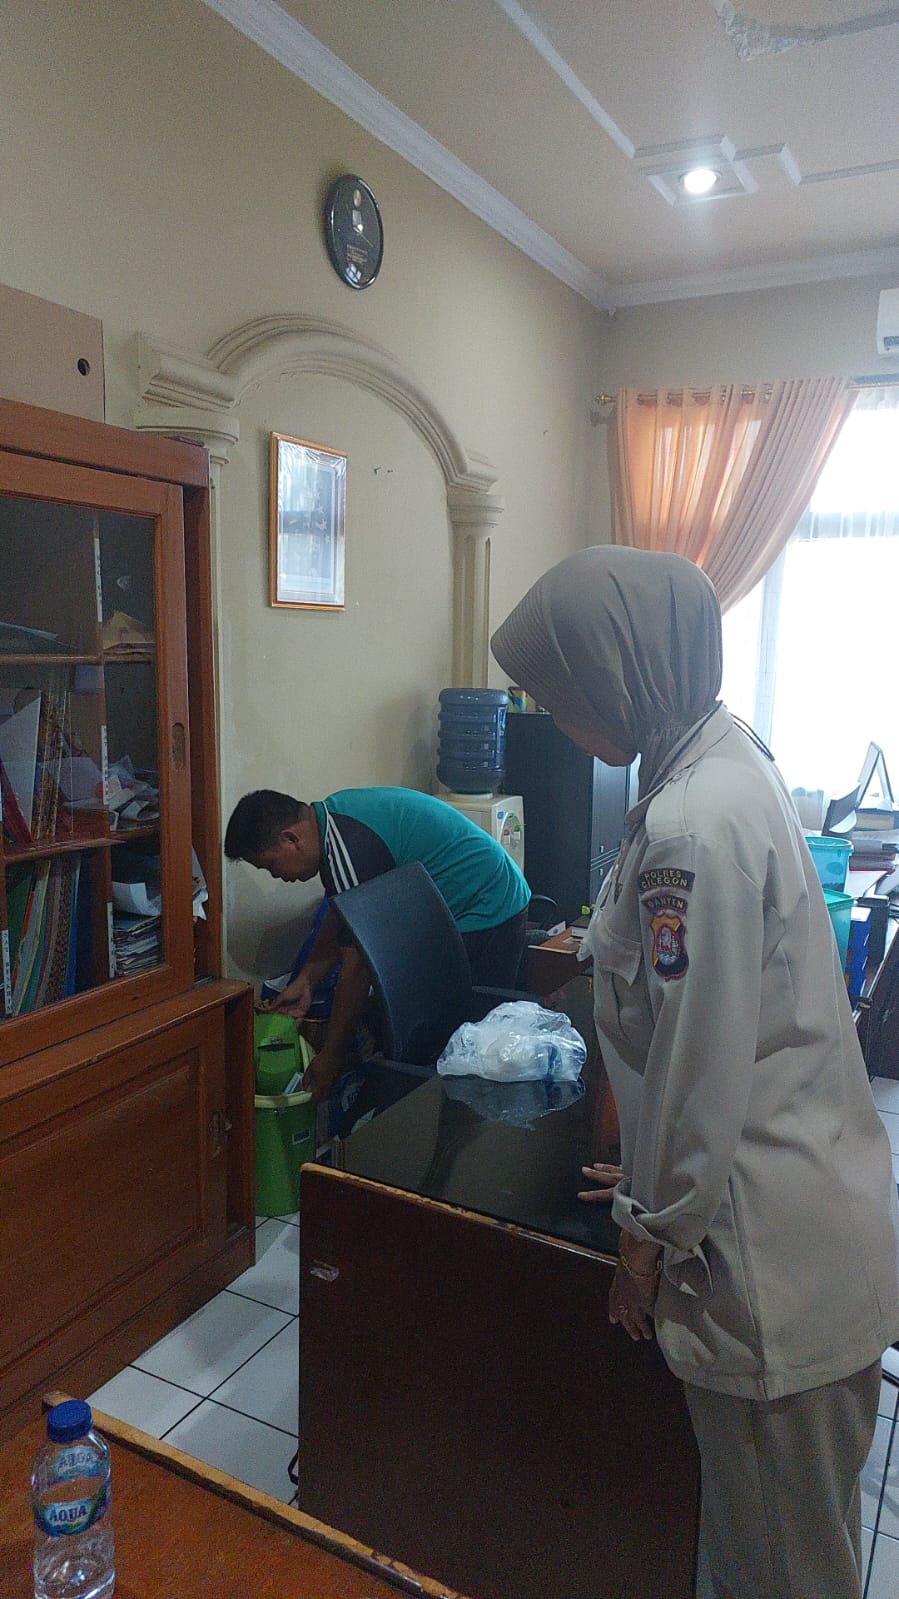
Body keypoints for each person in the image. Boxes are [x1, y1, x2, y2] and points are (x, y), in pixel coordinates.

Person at [491, 544, 899, 1599]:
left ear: (618, 674)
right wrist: (644, 1176)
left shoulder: (690, 825)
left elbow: (696, 1063)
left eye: (561, 696)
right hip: (810, 1207)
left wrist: (646, 1236)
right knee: (783, 1546)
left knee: (780, 1572)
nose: (557, 721)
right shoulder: (718, 753)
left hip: (764, 1259)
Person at [225, 785, 530, 1100]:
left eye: (270, 865)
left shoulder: (347, 844)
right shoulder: (333, 820)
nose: (276, 876)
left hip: (485, 907)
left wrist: (330, 1056)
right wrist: (306, 981)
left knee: (474, 1050)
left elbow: (358, 966)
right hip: (479, 895)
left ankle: (466, 1120)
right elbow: (344, 913)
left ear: (291, 839)